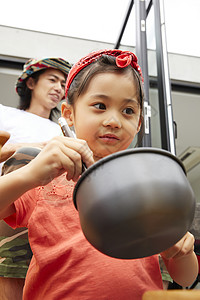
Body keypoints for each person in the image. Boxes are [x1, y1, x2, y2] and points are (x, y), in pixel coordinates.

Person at [0, 49, 198, 300]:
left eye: (128, 111)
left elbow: (186, 277)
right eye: (100, 106)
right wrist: (29, 174)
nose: (114, 120)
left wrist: (181, 252)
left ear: (138, 123)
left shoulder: (148, 187)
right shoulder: (47, 178)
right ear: (69, 115)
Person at [0, 57, 71, 300]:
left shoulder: (63, 129)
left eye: (63, 84)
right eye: (52, 80)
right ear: (31, 82)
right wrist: (36, 148)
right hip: (8, 206)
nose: (58, 88)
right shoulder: (5, 114)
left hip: (51, 212)